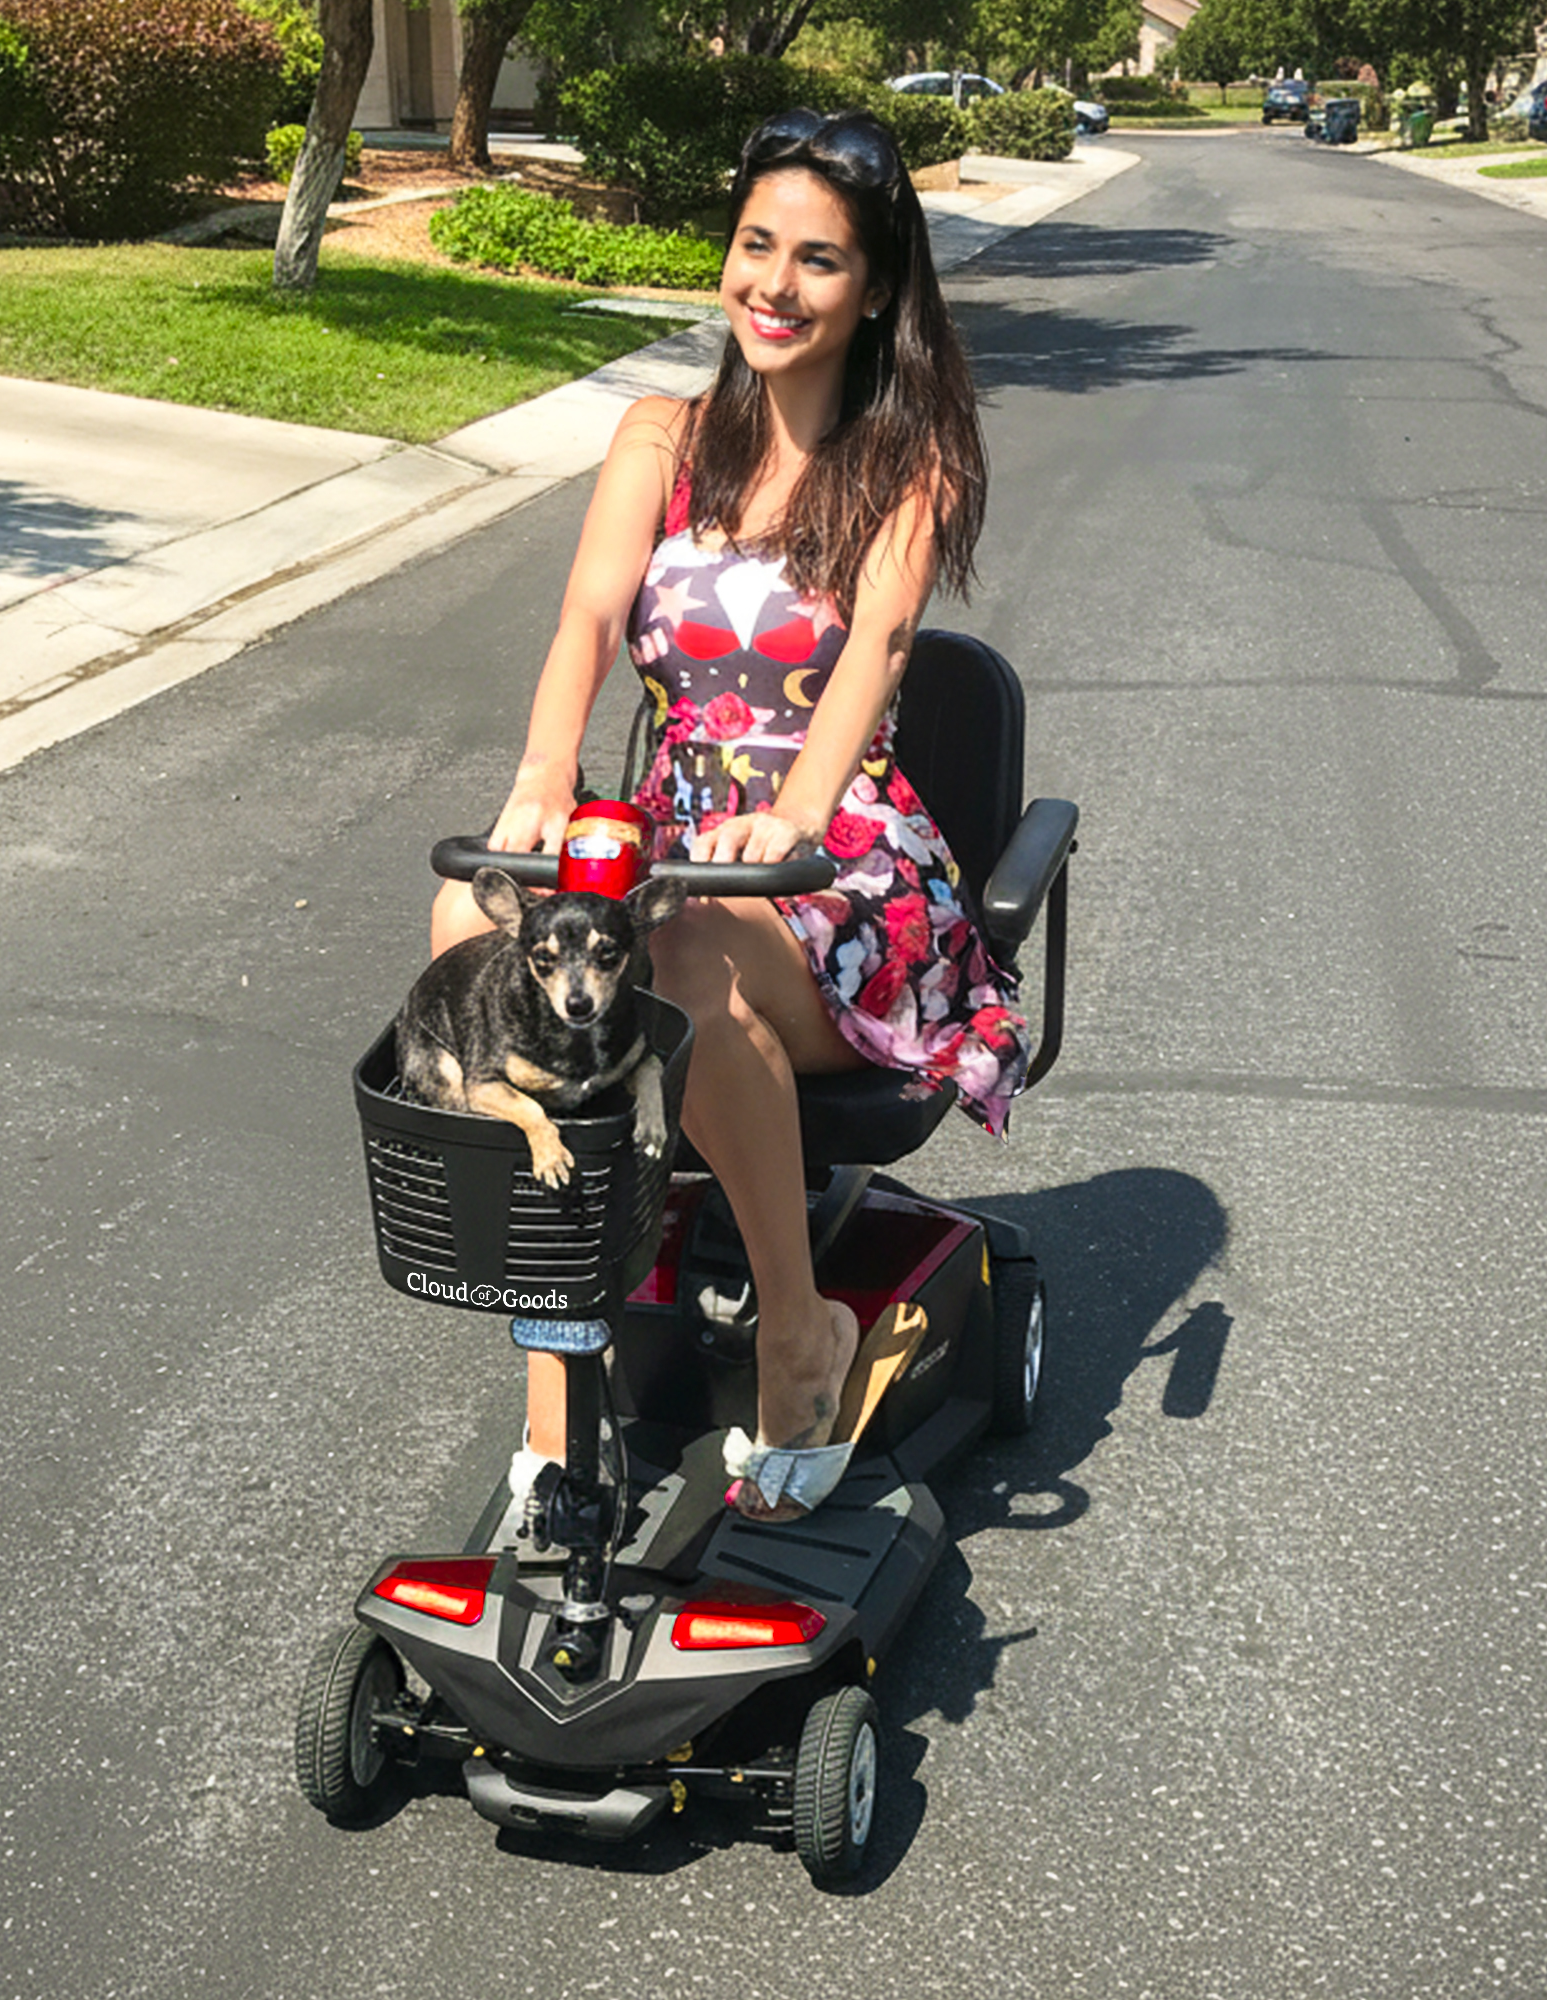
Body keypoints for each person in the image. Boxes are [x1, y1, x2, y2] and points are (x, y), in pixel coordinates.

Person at [432, 106, 1026, 1524]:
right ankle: (557, 1379)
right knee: (470, 925)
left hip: (839, 862)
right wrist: (546, 773)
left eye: (818, 260)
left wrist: (794, 813)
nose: (775, 283)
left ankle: (799, 1332)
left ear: (873, 289)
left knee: (680, 952)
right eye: (756, 245)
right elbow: (589, 617)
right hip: (676, 836)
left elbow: (879, 650)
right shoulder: (662, 437)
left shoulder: (909, 464)